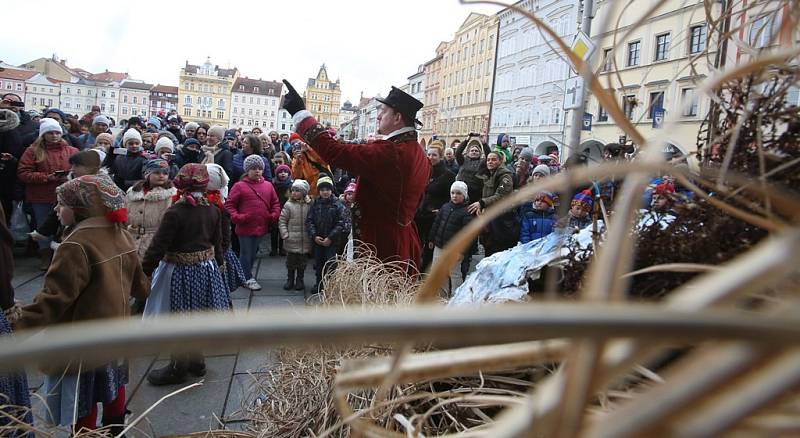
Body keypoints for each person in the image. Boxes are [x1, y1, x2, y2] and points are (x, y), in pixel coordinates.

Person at [13, 173, 148, 434]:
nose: (55, 209)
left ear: (79, 209)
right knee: (114, 386)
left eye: (61, 204)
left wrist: (16, 325)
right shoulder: (120, 234)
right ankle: (115, 431)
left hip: (83, 340)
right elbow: (141, 287)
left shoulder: (75, 244)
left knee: (82, 400)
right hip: (116, 332)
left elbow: (54, 301)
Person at [282, 81, 430, 268]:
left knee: (376, 295)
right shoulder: (419, 153)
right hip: (403, 240)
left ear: (397, 117)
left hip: (381, 247)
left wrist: (300, 114)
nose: (378, 117)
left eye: (383, 111)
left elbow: (336, 152)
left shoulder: (392, 152)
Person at [141, 164, 228, 385]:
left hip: (179, 272)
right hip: (205, 270)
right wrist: (219, 263)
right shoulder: (212, 209)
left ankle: (178, 366)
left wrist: (144, 272)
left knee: (179, 316)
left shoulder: (175, 212)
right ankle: (197, 359)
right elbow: (218, 242)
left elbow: (158, 246)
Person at [17, 118, 79, 269]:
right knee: (43, 226)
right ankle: (45, 256)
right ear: (43, 135)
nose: (54, 135)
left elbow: (80, 170)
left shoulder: (71, 151)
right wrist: (46, 177)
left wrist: (70, 175)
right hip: (41, 195)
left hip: (66, 195)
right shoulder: (32, 151)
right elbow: (23, 173)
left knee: (67, 226)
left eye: (57, 132)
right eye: (50, 133)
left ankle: (62, 257)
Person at [225, 155, 280, 291]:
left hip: (261, 226)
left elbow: (275, 203)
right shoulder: (240, 186)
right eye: (254, 168)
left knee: (253, 252)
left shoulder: (268, 185)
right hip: (245, 226)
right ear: (247, 170)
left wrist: (273, 215)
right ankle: (247, 277)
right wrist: (238, 217)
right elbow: (229, 205)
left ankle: (244, 274)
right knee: (245, 253)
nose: (257, 171)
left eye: (260, 168)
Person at [206, 163, 246, 294]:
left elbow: (224, 232)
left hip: (215, 250)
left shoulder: (219, 203)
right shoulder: (216, 201)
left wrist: (221, 251)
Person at [125, 159, 177, 259]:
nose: (161, 176)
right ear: (147, 174)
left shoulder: (171, 195)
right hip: (130, 240)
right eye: (157, 172)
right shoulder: (132, 192)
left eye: (165, 173)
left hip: (155, 241)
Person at [428, 181, 472, 296]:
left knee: (454, 274)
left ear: (464, 195)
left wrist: (462, 251)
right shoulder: (445, 207)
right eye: (452, 193)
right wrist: (432, 239)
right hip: (439, 245)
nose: (455, 196)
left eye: (458, 193)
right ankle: (441, 296)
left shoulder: (466, 212)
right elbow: (436, 223)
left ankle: (457, 297)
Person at [416, 142, 455, 270]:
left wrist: (442, 210)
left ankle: (423, 276)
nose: (431, 157)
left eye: (434, 155)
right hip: (418, 214)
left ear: (441, 156)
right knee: (416, 244)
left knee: (429, 247)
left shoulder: (448, 175)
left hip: (434, 217)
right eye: (429, 154)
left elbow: (451, 197)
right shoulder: (423, 171)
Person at [468, 151, 516, 256]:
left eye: (493, 159)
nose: (490, 162)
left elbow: (500, 196)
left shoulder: (505, 177)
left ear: (500, 161)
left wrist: (482, 203)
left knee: (497, 251)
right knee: (487, 246)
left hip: (501, 219)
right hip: (489, 217)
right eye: (488, 160)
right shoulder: (489, 175)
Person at [306, 176, 349, 293]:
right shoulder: (315, 204)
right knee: (319, 263)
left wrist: (330, 237)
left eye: (327, 189)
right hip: (318, 239)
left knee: (331, 263)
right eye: (322, 189)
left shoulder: (338, 205)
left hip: (332, 240)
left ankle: (330, 284)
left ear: (331, 190)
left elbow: (341, 223)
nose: (325, 192)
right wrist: (314, 235)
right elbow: (309, 221)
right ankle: (319, 283)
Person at [1, 96, 38, 222]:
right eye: (6, 101)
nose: (10, 105)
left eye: (15, 102)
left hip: (12, 178)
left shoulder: (31, 126)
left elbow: (24, 157)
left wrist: (13, 159)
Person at [279, 179, 312, 292]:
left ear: (303, 192)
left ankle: (300, 279)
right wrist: (285, 234)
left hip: (304, 239)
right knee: (291, 261)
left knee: (302, 262)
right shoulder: (288, 205)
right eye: (292, 190)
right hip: (291, 239)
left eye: (297, 191)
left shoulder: (309, 205)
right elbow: (282, 220)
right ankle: (290, 279)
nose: (294, 193)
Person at [290, 132, 331, 198]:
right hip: (309, 193)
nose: (296, 145)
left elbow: (324, 162)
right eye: (293, 144)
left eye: (298, 143)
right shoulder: (296, 158)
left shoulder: (314, 150)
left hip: (323, 189)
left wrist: (309, 150)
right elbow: (297, 176)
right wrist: (298, 160)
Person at [270, 164, 293, 256]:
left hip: (286, 210)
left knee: (283, 229)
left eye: (285, 172)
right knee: (274, 230)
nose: (283, 174)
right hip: (275, 209)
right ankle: (274, 249)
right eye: (280, 172)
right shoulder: (273, 184)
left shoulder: (291, 185)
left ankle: (282, 248)